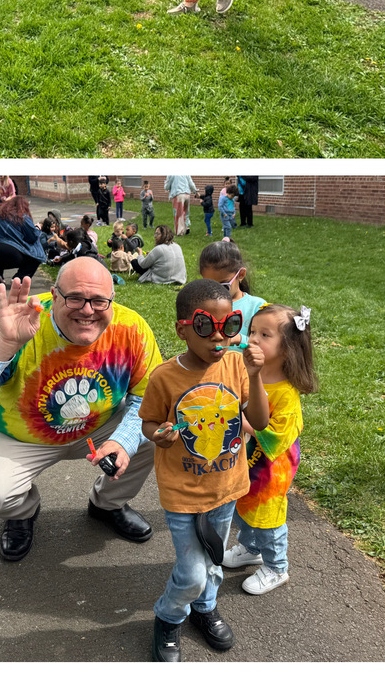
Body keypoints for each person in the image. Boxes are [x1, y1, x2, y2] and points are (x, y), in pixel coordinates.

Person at [0, 263, 162, 562]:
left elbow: (147, 400)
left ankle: (108, 504)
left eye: (98, 301)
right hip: (20, 436)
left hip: (98, 428)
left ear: (112, 298)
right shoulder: (17, 322)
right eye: (75, 298)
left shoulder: (131, 328)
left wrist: (123, 441)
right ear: (54, 295)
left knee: (153, 432)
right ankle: (23, 512)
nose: (87, 310)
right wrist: (4, 346)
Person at [140, 279, 270, 661]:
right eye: (204, 327)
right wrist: (158, 436)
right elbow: (148, 423)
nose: (218, 337)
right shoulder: (165, 376)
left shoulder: (235, 365)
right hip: (183, 492)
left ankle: (204, 607)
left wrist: (257, 374)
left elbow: (259, 422)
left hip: (226, 486)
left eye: (228, 326)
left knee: (212, 563)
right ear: (183, 329)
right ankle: (168, 616)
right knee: (193, 572)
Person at [223, 304, 317, 595]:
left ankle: (277, 567)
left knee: (268, 518)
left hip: (272, 470)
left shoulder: (287, 393)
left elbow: (277, 438)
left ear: (287, 349)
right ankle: (251, 549)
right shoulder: (254, 373)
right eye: (252, 331)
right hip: (249, 461)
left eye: (264, 335)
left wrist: (243, 423)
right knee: (245, 507)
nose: (253, 339)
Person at [198, 240, 267, 334]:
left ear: (241, 275)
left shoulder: (257, 307)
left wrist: (239, 339)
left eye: (224, 286)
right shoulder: (202, 306)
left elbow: (266, 343)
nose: (216, 292)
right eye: (209, 285)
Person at [0, 195, 46, 285]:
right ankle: (19, 278)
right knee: (36, 255)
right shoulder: (22, 217)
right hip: (7, 252)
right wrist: (37, 229)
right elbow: (32, 238)